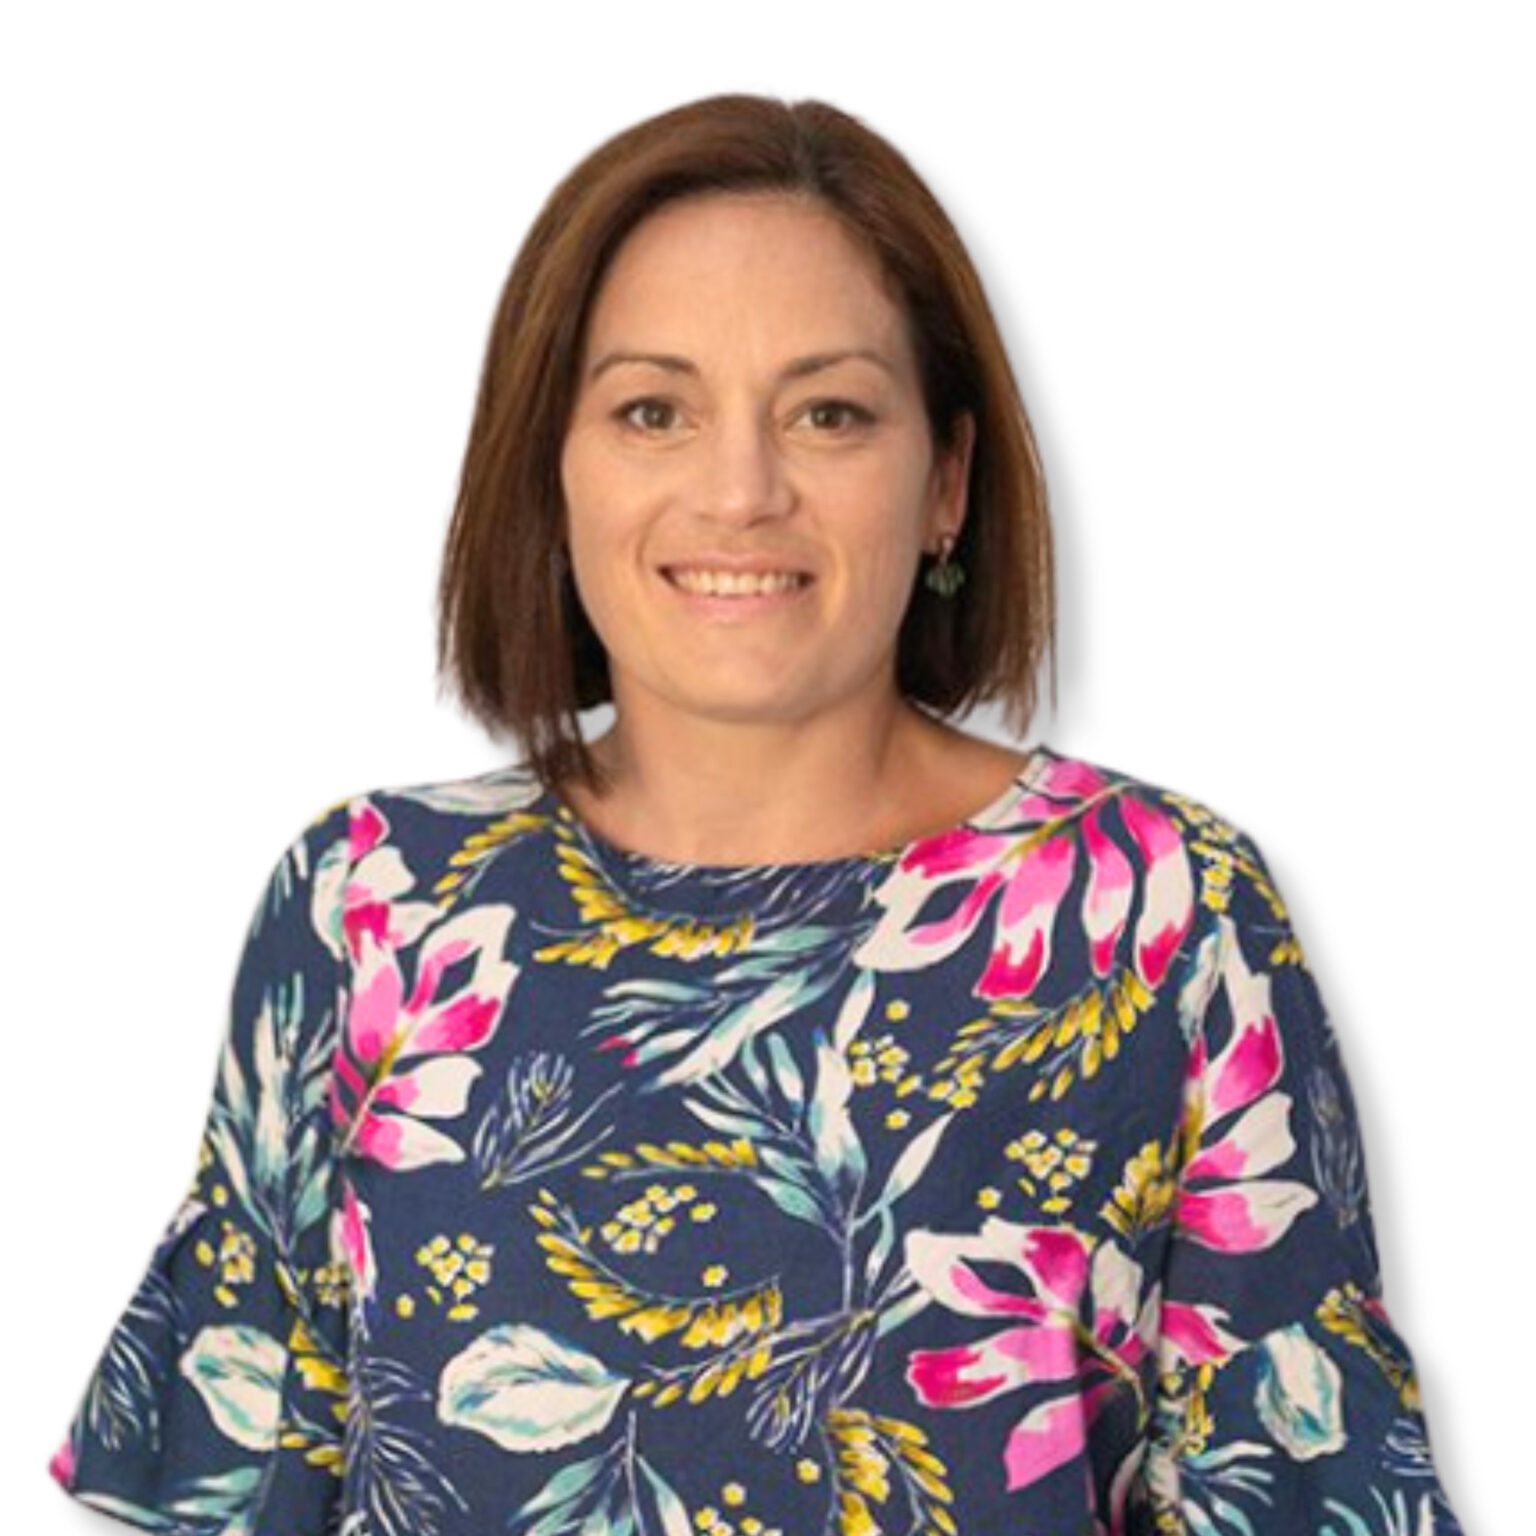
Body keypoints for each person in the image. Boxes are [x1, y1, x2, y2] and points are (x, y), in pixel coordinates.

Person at [47, 93, 1467, 1535]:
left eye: (828, 413)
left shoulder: (1159, 912)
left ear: (947, 483)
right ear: (555, 464)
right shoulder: (371, 909)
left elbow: (1306, 1487)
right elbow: (237, 1486)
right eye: (653, 411)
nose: (740, 491)